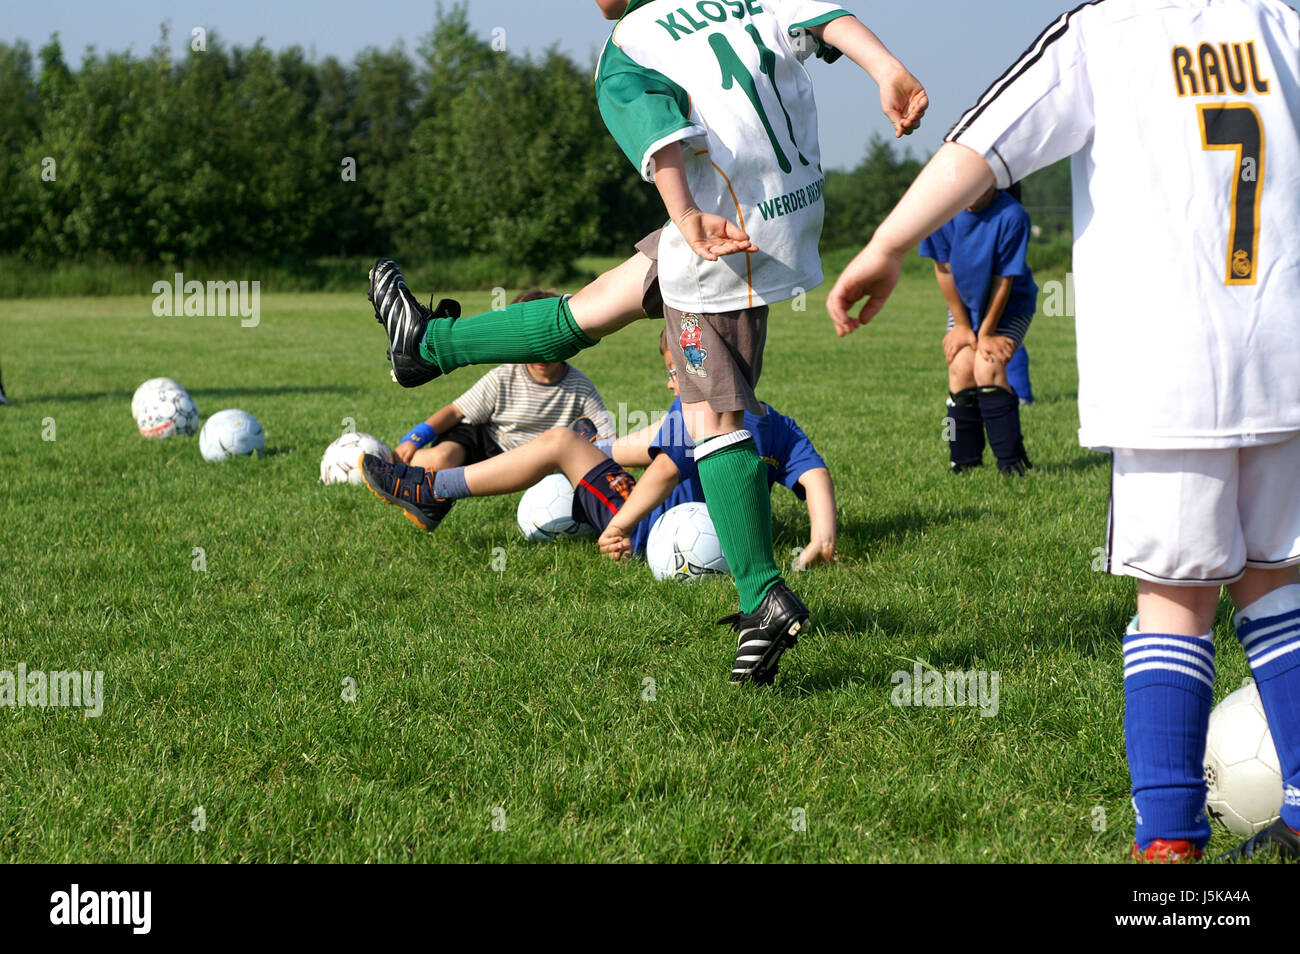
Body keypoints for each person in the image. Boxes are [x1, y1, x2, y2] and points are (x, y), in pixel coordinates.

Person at [827, 0, 1300, 862]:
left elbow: (980, 142)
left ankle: (1168, 846)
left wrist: (889, 241)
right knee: (1279, 584)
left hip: (1172, 374)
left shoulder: (1103, 31)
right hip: (1285, 352)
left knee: (1174, 599)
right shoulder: (1280, 22)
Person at [363, 0, 926, 683]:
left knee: (714, 420)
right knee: (597, 303)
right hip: (783, 212)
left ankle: (761, 597)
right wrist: (887, 68)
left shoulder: (628, 45)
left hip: (719, 228)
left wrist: (685, 214)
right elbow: (823, 15)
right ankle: (429, 343)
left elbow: (662, 137)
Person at [360, 329, 836, 681]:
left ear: (702, 368)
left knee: (559, 443)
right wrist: (821, 537)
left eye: (677, 373)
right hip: (668, 524)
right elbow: (813, 474)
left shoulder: (699, 411)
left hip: (650, 527)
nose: (673, 386)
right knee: (566, 446)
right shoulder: (773, 420)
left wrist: (620, 525)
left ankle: (431, 490)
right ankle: (448, 488)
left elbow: (663, 469)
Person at [386, 290, 615, 530]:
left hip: (538, 459)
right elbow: (455, 411)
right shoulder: (504, 376)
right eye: (531, 343)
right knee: (439, 459)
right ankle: (386, 469)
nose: (541, 353)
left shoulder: (580, 386)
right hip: (488, 441)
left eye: (548, 341)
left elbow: (606, 437)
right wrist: (413, 439)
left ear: (564, 341)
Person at [921, 183, 1037, 475]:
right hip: (963, 305)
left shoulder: (1012, 215)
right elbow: (943, 268)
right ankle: (963, 462)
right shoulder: (942, 209)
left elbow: (1004, 280)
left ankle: (1010, 464)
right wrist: (961, 325)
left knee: (988, 365)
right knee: (960, 366)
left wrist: (986, 333)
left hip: (1009, 305)